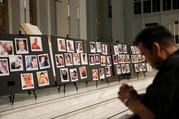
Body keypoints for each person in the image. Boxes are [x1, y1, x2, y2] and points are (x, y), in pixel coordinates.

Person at [118, 25, 179, 119]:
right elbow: (162, 100)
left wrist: (127, 100)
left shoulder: (172, 67)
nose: (146, 60)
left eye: (144, 54)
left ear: (155, 48)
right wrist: (137, 98)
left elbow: (150, 115)